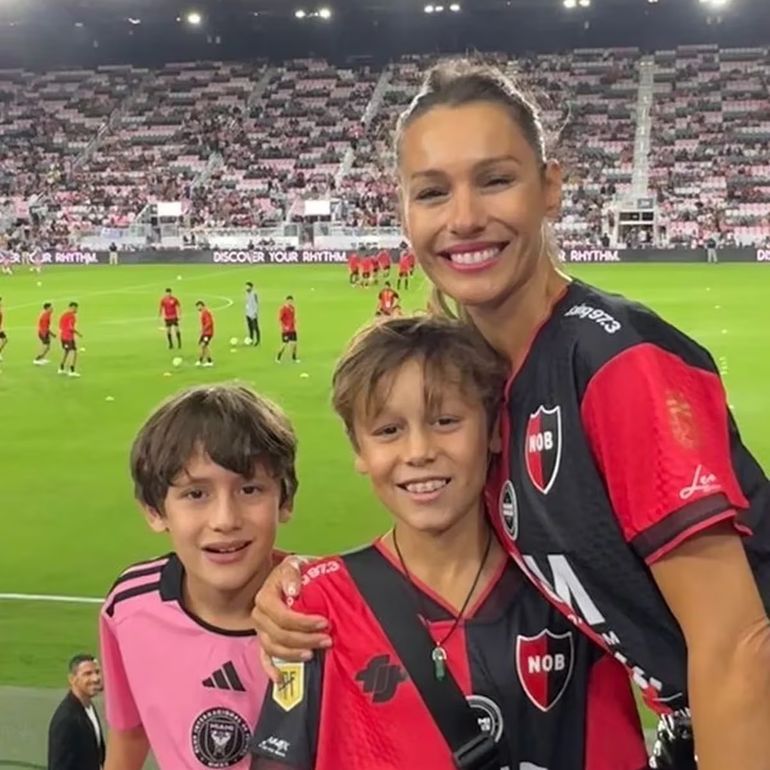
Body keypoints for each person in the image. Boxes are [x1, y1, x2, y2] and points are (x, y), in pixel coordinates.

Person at [251, 61, 770, 770]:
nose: (464, 217)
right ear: (402, 211)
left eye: (496, 180)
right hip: (693, 723)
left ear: (550, 187)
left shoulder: (613, 364)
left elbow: (739, 646)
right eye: (432, 192)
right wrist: (297, 585)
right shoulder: (492, 381)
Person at [251, 316, 647, 770]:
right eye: (388, 430)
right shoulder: (315, 608)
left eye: (445, 420)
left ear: (495, 429)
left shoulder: (566, 596)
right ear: (358, 450)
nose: (418, 451)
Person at [100, 384, 297, 770]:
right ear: (155, 511)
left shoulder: (329, 610)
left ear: (285, 500)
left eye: (250, 489)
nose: (225, 520)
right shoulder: (130, 606)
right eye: (196, 494)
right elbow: (131, 731)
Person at [47, 653, 105, 770]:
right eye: (87, 674)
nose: (95, 678)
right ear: (72, 679)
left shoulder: (88, 707)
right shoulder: (66, 719)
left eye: (97, 672)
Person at [58, 301, 81, 377]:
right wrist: (77, 333)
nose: (76, 310)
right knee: (73, 352)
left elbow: (60, 326)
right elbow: (70, 327)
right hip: (68, 337)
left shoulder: (63, 315)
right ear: (72, 307)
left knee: (66, 351)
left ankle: (61, 368)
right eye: (75, 308)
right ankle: (72, 370)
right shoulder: (71, 316)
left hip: (63, 336)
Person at [276, 296, 298, 364]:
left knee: (294, 344)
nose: (290, 302)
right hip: (286, 331)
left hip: (292, 329)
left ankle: (294, 358)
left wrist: (294, 324)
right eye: (289, 301)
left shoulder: (292, 308)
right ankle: (278, 357)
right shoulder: (283, 309)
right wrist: (284, 326)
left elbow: (293, 317)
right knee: (284, 344)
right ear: (286, 301)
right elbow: (280, 319)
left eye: (291, 301)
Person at [195, 300, 214, 367]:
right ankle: (201, 360)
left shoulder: (205, 313)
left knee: (203, 345)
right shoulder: (204, 312)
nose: (198, 308)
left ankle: (209, 361)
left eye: (198, 306)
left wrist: (203, 329)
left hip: (208, 333)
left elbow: (209, 323)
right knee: (203, 346)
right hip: (205, 333)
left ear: (202, 306)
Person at [245, 282, 261, 346]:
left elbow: (256, 304)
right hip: (248, 313)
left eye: (247, 286)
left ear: (251, 287)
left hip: (253, 314)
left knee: (256, 328)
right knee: (250, 328)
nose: (246, 288)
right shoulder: (247, 294)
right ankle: (251, 340)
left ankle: (258, 340)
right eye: (246, 286)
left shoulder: (254, 294)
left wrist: (255, 313)